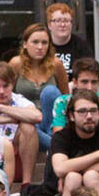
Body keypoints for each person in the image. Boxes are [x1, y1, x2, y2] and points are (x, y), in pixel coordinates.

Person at [9, 22, 68, 151]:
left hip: (51, 123)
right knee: (28, 126)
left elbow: (65, 98)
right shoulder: (15, 64)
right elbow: (8, 95)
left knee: (50, 91)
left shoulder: (56, 64)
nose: (40, 47)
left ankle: (54, 142)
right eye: (35, 42)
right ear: (25, 44)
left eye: (44, 42)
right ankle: (59, 148)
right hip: (27, 121)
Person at [0, 60, 42, 187]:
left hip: (17, 159)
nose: (1, 91)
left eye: (6, 86)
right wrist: (12, 118)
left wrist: (0, 108)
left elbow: (37, 116)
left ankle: (26, 185)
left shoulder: (19, 100)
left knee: (28, 127)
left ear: (13, 84)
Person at [50, 57, 99, 130]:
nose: (89, 87)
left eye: (94, 82)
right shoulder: (62, 102)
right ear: (75, 82)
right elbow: (58, 131)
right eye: (84, 82)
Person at [45, 2, 92, 78]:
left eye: (66, 21)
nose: (63, 25)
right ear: (49, 25)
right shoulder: (43, 45)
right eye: (58, 21)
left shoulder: (81, 46)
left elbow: (88, 74)